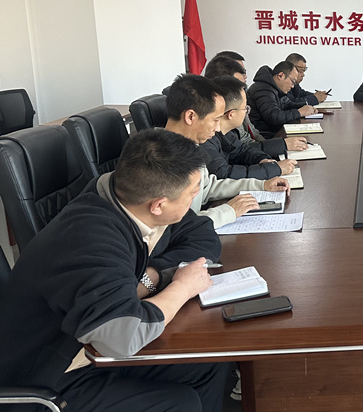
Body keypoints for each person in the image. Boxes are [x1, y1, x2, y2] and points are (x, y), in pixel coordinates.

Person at [0, 129, 230, 412]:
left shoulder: (119, 193)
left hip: (86, 350)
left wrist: (153, 275)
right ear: (158, 205)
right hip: (46, 379)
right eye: (192, 192)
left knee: (208, 363)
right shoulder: (90, 238)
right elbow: (123, 337)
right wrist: (182, 287)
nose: (196, 196)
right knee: (181, 403)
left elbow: (202, 235)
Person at [165, 73, 289, 228]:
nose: (218, 128)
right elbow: (174, 227)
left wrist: (261, 185)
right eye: (215, 120)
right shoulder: (160, 160)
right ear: (190, 117)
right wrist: (228, 211)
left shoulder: (189, 147)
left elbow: (208, 187)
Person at [204, 54, 308, 156]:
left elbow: (253, 134)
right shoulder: (220, 122)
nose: (245, 77)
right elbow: (240, 151)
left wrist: (272, 150)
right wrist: (279, 146)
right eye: (241, 72)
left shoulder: (241, 101)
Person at [200, 75, 297, 180]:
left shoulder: (226, 132)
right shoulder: (204, 137)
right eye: (245, 108)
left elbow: (242, 150)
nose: (246, 113)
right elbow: (223, 173)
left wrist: (262, 160)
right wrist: (273, 169)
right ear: (231, 114)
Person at [247, 61, 317, 138]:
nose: (293, 86)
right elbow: (273, 117)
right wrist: (299, 112)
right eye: (292, 81)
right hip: (265, 136)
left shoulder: (275, 88)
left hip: (275, 131)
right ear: (280, 76)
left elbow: (287, 104)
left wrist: (306, 106)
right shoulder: (262, 89)